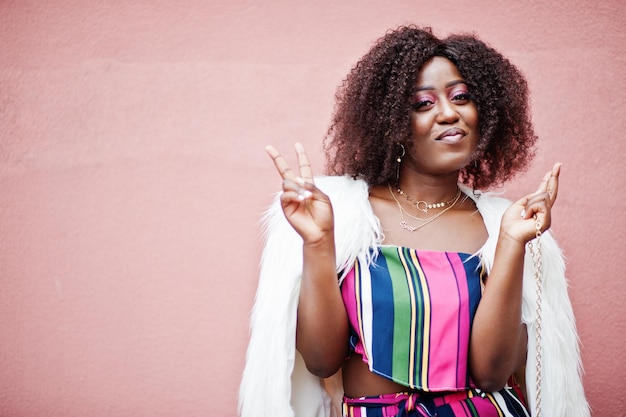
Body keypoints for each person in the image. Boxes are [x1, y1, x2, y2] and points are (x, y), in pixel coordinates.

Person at [239, 26, 589, 417]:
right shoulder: (344, 215)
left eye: (461, 97)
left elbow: (491, 375)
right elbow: (322, 360)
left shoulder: (501, 226)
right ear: (393, 124)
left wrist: (510, 243)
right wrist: (319, 242)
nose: (448, 113)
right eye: (424, 103)